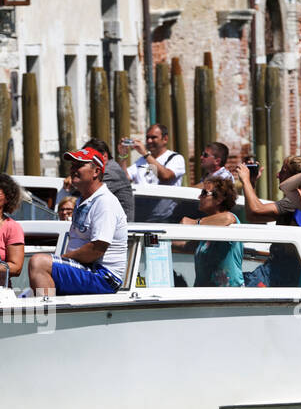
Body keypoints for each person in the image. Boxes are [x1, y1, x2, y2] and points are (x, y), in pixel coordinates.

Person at [28, 147, 127, 295]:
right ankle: (52, 311)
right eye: (72, 165)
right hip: (90, 270)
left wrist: (62, 259)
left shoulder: (104, 202)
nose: (73, 169)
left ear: (96, 172)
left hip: (104, 276)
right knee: (45, 266)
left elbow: (96, 249)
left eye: (79, 165)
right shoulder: (84, 200)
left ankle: (49, 315)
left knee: (39, 263)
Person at [242, 155, 301, 287]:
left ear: (295, 177)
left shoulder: (293, 202)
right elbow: (253, 216)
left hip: (282, 271)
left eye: (283, 172)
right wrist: (251, 183)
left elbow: (256, 210)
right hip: (276, 268)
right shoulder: (296, 201)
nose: (278, 175)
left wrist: (245, 181)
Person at [178, 174, 243, 287]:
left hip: (228, 296)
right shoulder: (207, 228)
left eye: (204, 193)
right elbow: (187, 245)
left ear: (219, 199)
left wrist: (195, 223)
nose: (199, 197)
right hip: (205, 295)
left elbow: (228, 218)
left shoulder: (230, 221)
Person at [126, 123, 186, 223]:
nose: (149, 141)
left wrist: (145, 154)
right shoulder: (141, 160)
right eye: (147, 138)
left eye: (153, 137)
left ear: (165, 139)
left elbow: (165, 176)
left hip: (164, 218)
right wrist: (123, 156)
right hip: (140, 217)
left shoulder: (175, 158)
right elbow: (124, 178)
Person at [83, 138, 134, 222]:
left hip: (117, 229)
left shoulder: (110, 172)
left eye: (88, 158)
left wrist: (73, 180)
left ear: (104, 156)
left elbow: (89, 191)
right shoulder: (108, 169)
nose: (85, 163)